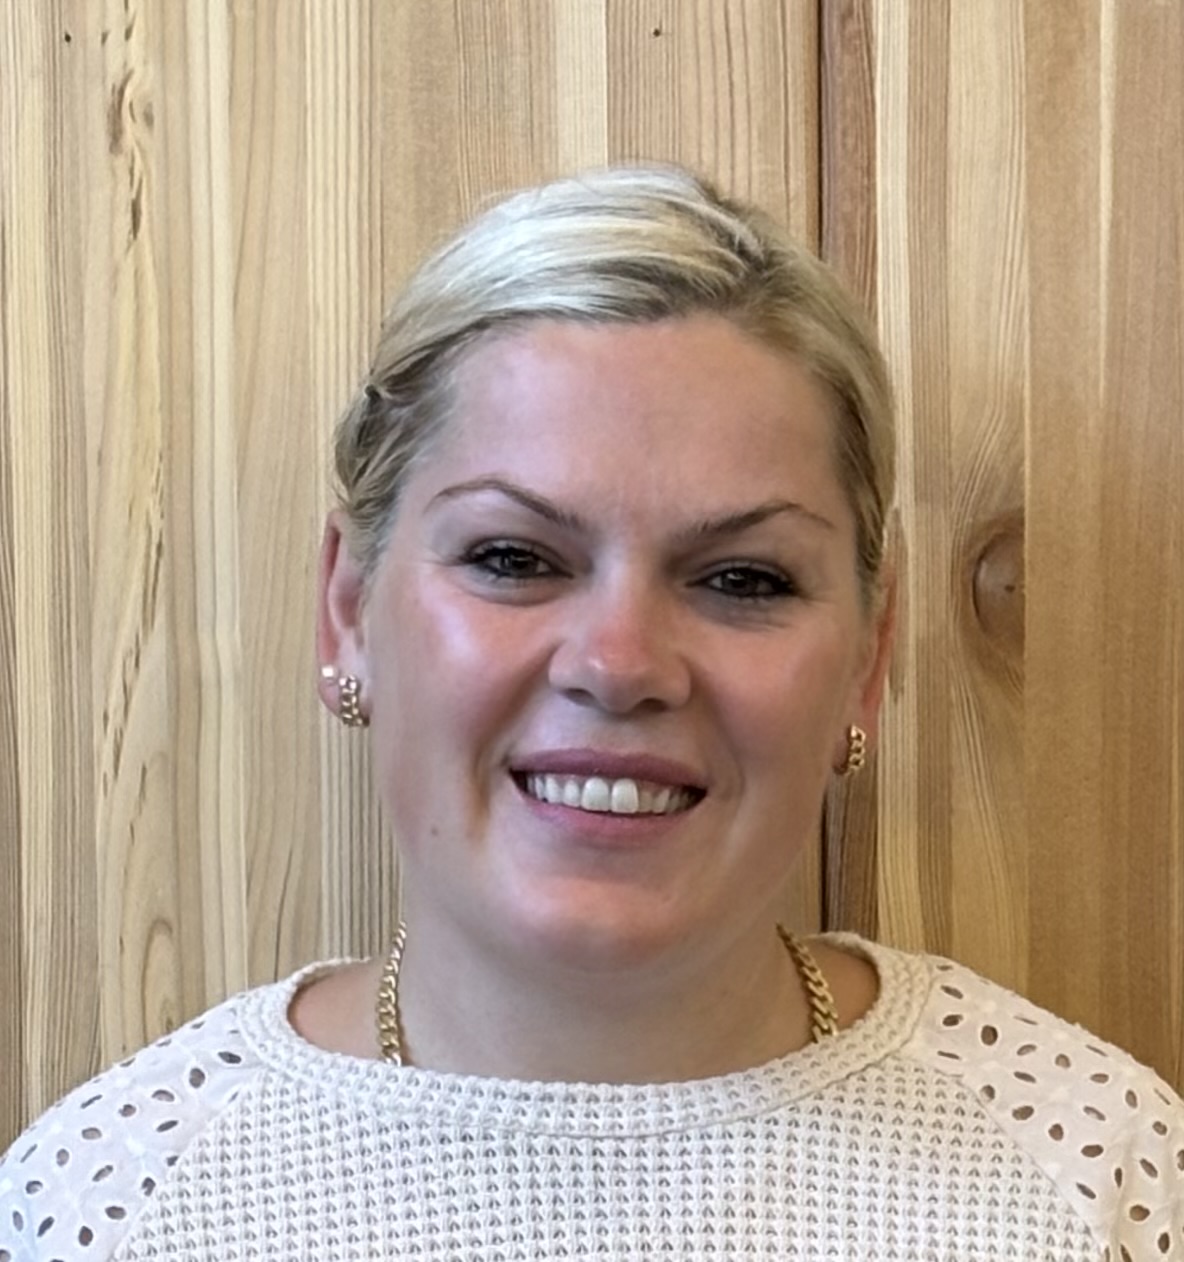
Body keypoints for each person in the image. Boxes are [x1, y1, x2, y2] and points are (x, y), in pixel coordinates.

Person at [1, 165, 1180, 1261]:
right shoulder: (106, 1205)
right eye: (513, 557)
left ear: (868, 654)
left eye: (741, 578)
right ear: (348, 610)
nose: (619, 664)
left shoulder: (1102, 1178)